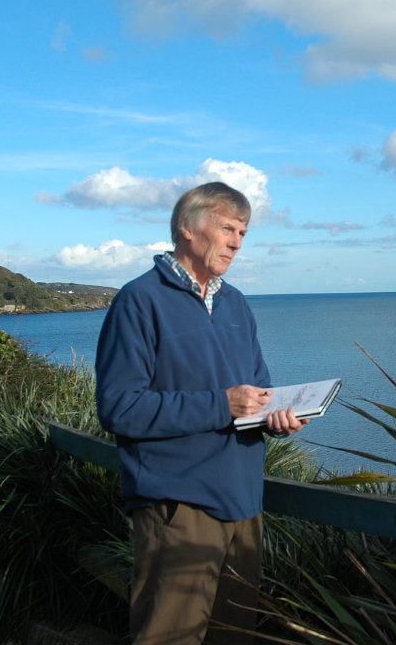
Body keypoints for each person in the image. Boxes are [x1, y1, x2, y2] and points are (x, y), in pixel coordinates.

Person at [95, 182, 308, 644]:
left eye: (243, 233)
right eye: (227, 228)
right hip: (178, 505)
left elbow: (258, 392)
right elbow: (119, 408)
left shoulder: (236, 302)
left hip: (244, 502)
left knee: (233, 637)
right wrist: (224, 404)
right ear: (187, 229)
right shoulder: (139, 300)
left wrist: (279, 418)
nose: (236, 242)